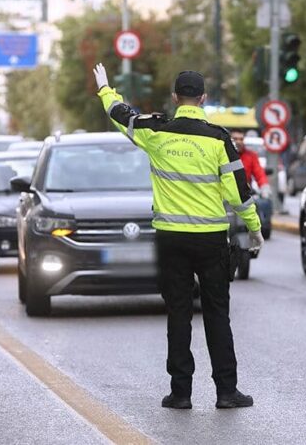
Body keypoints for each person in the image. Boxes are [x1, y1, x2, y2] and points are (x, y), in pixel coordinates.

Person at [93, 64, 262, 409]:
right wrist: (255, 229)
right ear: (203, 98)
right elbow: (238, 194)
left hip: (171, 239)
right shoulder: (219, 139)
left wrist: (105, 89)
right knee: (217, 314)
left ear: (175, 97)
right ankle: (226, 392)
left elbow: (120, 114)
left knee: (178, 314)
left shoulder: (156, 131)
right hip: (211, 239)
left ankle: (180, 393)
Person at [230, 129, 271, 199]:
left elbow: (259, 173)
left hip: (245, 194)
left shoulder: (251, 156)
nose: (238, 142)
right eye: (235, 139)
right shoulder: (223, 155)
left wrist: (265, 188)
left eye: (241, 139)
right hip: (225, 195)